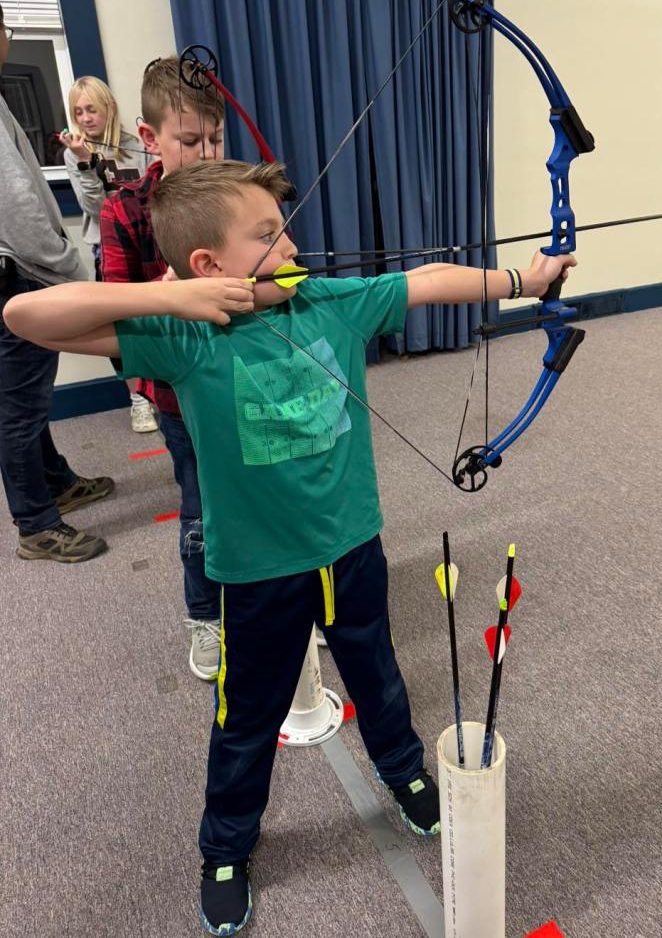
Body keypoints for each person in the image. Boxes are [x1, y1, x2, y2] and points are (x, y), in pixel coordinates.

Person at [4, 158, 577, 934]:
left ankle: (404, 775)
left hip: (350, 548)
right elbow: (28, 315)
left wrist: (523, 279)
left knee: (376, 673)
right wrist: (175, 295)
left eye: (284, 227)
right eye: (267, 235)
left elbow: (427, 279)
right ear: (209, 267)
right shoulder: (182, 337)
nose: (291, 242)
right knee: (247, 715)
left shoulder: (329, 302)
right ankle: (226, 847)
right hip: (257, 572)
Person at [99, 56, 226, 680]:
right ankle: (207, 616)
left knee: (262, 496)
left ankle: (281, 602)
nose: (206, 154)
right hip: (178, 394)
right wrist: (173, 287)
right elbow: (114, 310)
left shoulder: (237, 195)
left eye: (216, 139)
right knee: (201, 509)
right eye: (189, 140)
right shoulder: (123, 211)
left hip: (241, 382)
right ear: (151, 139)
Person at [0, 2, 113, 563]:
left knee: (25, 397)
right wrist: (71, 264)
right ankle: (36, 523)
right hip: (18, 273)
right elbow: (17, 206)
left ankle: (54, 482)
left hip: (23, 270)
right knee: (17, 407)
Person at [60, 75, 158, 433]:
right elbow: (93, 205)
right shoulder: (75, 153)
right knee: (124, 324)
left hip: (150, 240)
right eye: (78, 111)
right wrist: (86, 162)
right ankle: (138, 401)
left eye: (92, 109)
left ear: (109, 109)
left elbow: (156, 194)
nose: (85, 118)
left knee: (160, 315)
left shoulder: (137, 146)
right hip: (108, 247)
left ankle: (166, 387)